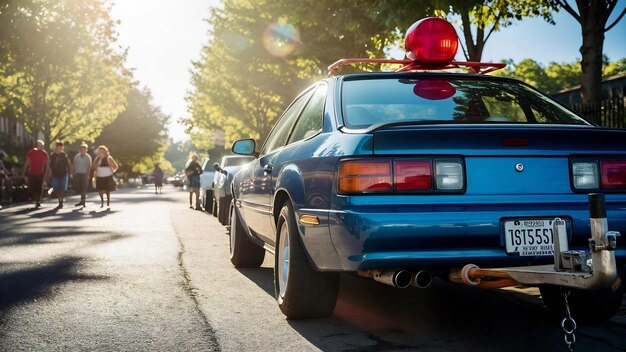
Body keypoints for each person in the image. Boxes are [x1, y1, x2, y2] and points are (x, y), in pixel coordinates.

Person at [22, 140, 49, 208]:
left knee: (39, 187)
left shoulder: (45, 154)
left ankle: (38, 201)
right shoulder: (32, 152)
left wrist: (47, 174)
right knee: (32, 187)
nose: (41, 147)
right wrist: (23, 173)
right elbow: (27, 162)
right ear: (37, 146)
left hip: (40, 173)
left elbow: (47, 165)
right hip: (32, 173)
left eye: (42, 146)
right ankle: (35, 198)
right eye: (39, 145)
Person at [48, 140, 72, 208]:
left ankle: (61, 201)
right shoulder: (53, 155)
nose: (59, 148)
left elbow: (68, 164)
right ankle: (59, 199)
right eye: (58, 147)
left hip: (63, 174)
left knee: (62, 189)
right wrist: (49, 173)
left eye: (60, 147)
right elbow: (50, 165)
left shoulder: (64, 155)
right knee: (57, 188)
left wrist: (70, 173)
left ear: (62, 148)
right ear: (56, 147)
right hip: (55, 174)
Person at [72, 142, 92, 207]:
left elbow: (89, 166)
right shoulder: (77, 156)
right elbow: (74, 165)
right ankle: (81, 200)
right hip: (78, 174)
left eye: (84, 149)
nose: (82, 150)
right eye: (81, 149)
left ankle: (83, 201)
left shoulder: (88, 157)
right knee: (79, 188)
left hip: (84, 174)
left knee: (84, 188)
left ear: (86, 150)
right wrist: (73, 172)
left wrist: (88, 174)